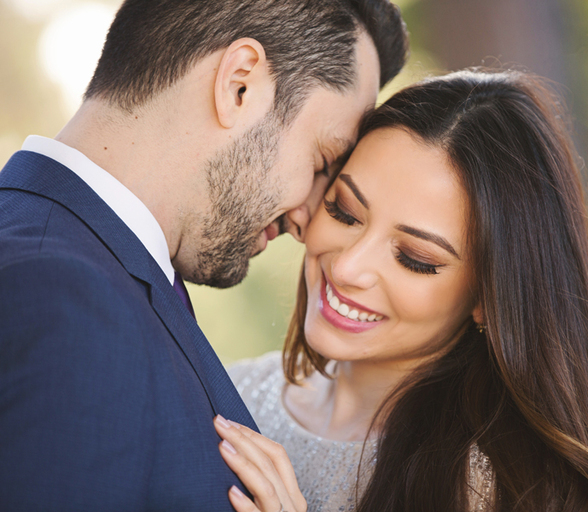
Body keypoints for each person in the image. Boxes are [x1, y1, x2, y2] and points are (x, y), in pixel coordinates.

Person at [0, 0, 407, 510]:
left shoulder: (78, 264)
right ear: (240, 84)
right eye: (323, 158)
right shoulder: (66, 300)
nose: (308, 219)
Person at [216, 69, 588, 512]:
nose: (347, 267)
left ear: (488, 299)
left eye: (415, 258)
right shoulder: (230, 393)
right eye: (343, 211)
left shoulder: (495, 490)